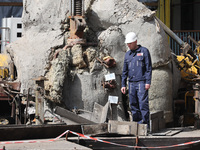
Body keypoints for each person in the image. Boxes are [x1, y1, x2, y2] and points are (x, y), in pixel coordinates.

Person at [121, 32, 152, 127]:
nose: (128, 45)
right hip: (131, 83)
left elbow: (148, 68)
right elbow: (124, 70)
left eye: (130, 43)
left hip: (141, 82)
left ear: (135, 42)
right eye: (127, 44)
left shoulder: (144, 51)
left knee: (143, 104)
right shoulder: (127, 55)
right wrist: (123, 84)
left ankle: (146, 125)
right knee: (133, 105)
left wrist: (148, 82)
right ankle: (137, 125)